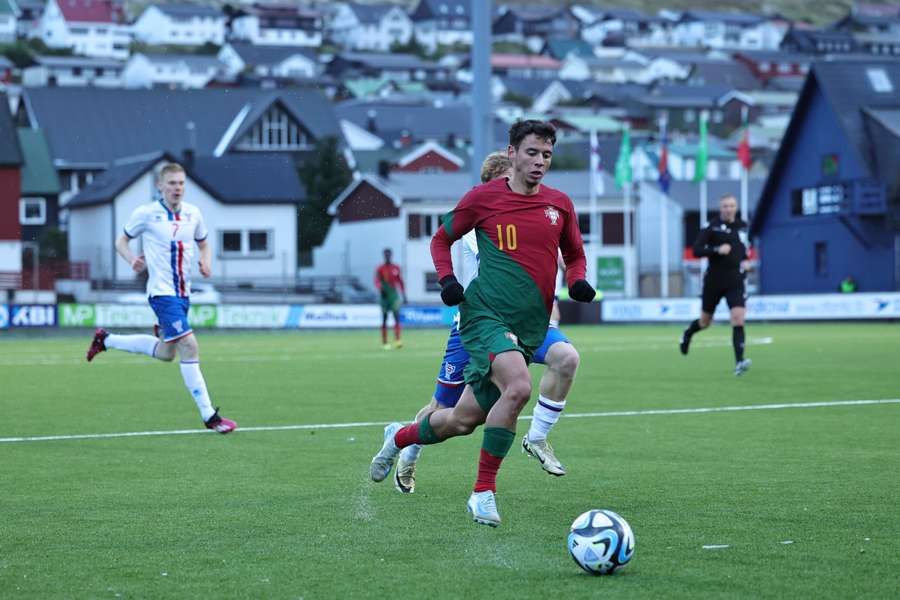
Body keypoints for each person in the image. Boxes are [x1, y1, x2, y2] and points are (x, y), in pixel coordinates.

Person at [369, 120, 596, 527]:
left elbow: (575, 253)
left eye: (546, 154)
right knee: (520, 386)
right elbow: (441, 240)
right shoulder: (483, 198)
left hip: (529, 327)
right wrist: (447, 281)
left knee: (461, 420)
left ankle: (399, 437)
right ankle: (482, 493)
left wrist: (577, 280)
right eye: (531, 152)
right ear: (511, 154)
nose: (540, 161)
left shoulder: (560, 204)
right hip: (483, 317)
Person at [85, 163, 237, 433]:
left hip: (183, 294)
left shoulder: (194, 213)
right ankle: (210, 416)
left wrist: (206, 261)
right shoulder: (146, 214)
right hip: (161, 293)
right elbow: (121, 240)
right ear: (160, 186)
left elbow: (204, 243)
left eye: (180, 183)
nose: (177, 188)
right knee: (189, 345)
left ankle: (106, 339)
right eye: (171, 183)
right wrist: (132, 259)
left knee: (167, 353)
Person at [680, 193, 752, 376]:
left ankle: (739, 362)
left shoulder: (742, 227)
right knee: (705, 322)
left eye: (732, 206)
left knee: (738, 317)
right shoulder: (711, 227)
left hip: (735, 280)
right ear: (720, 209)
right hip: (714, 281)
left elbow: (742, 252)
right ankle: (688, 334)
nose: (729, 209)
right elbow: (696, 250)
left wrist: (746, 262)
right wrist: (716, 250)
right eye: (725, 206)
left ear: (736, 207)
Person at [374, 248, 406, 350]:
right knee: (384, 319)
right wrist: (380, 288)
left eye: (389, 254)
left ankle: (398, 340)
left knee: (396, 317)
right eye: (385, 254)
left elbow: (400, 281)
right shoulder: (380, 268)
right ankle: (385, 342)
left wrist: (404, 294)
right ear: (384, 256)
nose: (387, 256)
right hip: (384, 296)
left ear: (391, 255)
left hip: (393, 295)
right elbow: (376, 281)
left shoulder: (396, 268)